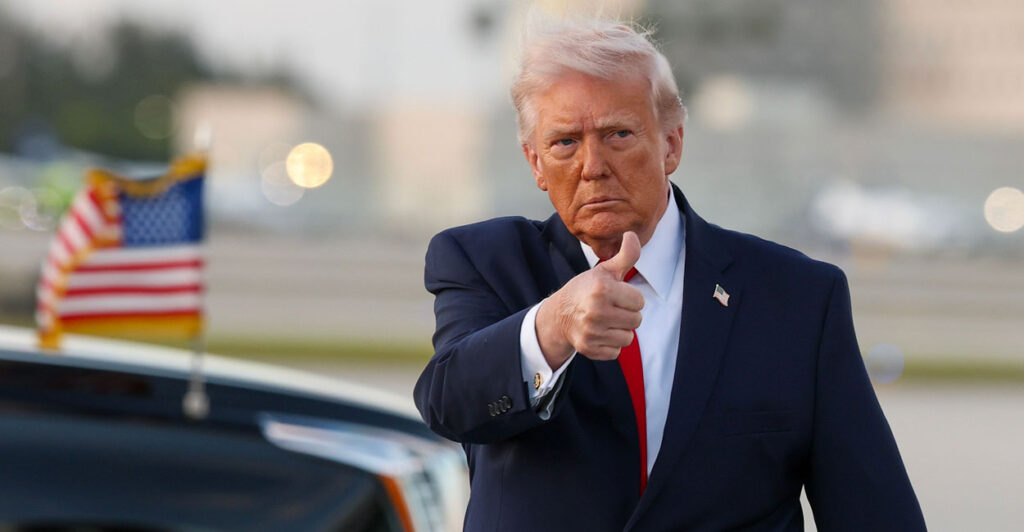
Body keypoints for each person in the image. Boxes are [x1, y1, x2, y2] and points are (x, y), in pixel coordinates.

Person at [414, 16, 926, 532]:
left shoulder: (797, 298)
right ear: (535, 163)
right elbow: (450, 404)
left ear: (671, 144)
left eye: (618, 134)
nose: (592, 165)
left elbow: (876, 512)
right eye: (565, 142)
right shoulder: (484, 261)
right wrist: (555, 324)